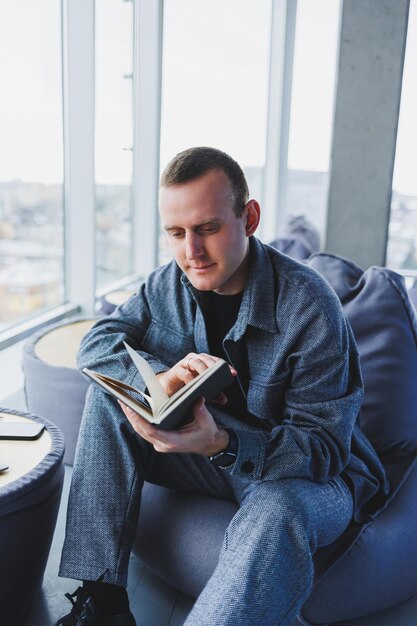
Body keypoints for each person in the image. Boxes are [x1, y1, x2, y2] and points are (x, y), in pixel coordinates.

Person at [56, 146, 388, 626]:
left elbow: (323, 450)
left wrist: (225, 442)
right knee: (107, 397)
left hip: (306, 478)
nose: (191, 251)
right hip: (208, 455)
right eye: (176, 233)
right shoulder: (168, 284)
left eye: (208, 229)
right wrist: (161, 378)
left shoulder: (310, 306)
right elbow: (98, 341)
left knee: (278, 509)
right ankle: (102, 601)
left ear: (248, 218)